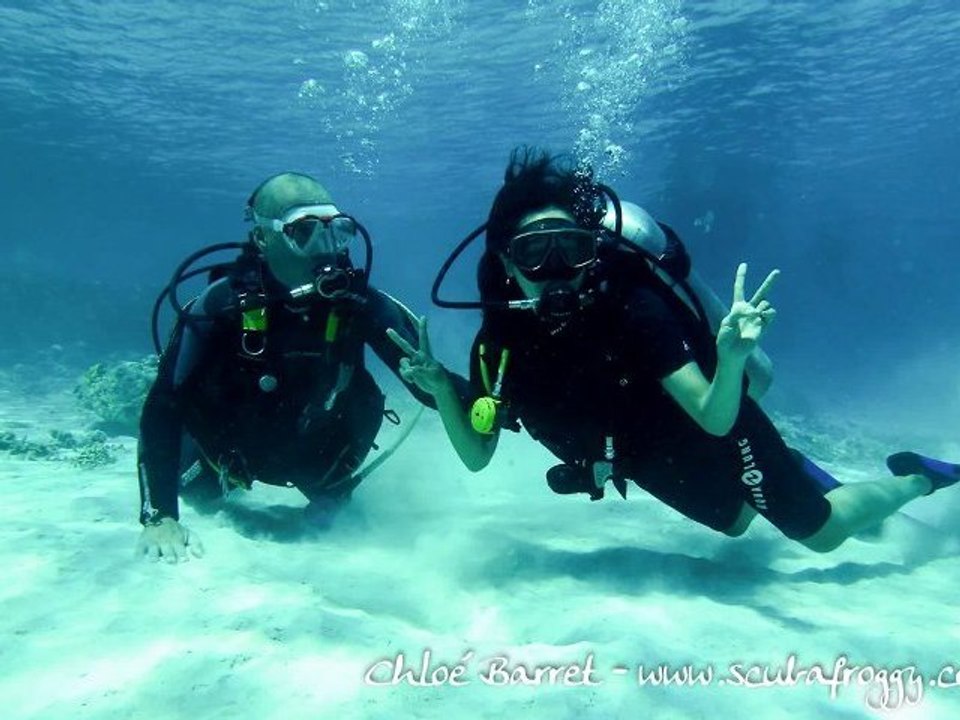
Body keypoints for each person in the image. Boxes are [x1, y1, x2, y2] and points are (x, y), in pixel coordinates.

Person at [391, 147, 960, 553]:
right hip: (644, 453)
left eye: (574, 247)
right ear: (508, 265)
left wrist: (732, 356)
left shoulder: (631, 308)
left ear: (594, 251)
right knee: (738, 523)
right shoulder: (500, 346)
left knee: (823, 533)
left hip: (712, 421)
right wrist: (443, 389)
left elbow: (713, 418)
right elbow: (476, 455)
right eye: (537, 252)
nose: (558, 268)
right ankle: (791, 469)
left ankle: (917, 478)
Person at [136, 172, 437, 562]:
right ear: (263, 239)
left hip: (314, 453)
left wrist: (461, 392)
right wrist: (158, 516)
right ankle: (212, 480)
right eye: (305, 232)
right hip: (227, 454)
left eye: (337, 231)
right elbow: (163, 406)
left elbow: (429, 388)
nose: (325, 248)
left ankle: (329, 487)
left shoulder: (360, 304)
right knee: (198, 496)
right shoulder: (219, 306)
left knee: (335, 500)